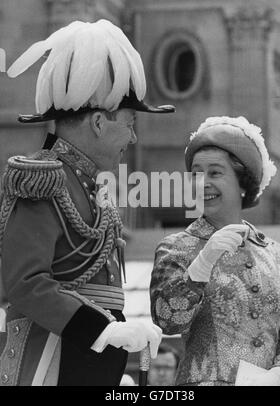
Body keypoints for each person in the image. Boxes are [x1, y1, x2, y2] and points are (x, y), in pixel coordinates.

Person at [0, 19, 175, 386]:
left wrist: (123, 328)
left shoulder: (93, 186)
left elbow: (98, 290)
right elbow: (25, 283)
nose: (133, 136)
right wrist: (101, 330)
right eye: (128, 123)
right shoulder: (41, 180)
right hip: (50, 356)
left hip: (90, 358)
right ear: (98, 122)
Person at [150, 116, 280, 386]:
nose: (202, 183)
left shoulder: (278, 256)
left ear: (243, 183)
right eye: (196, 174)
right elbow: (167, 321)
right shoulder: (177, 248)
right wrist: (200, 266)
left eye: (215, 173)